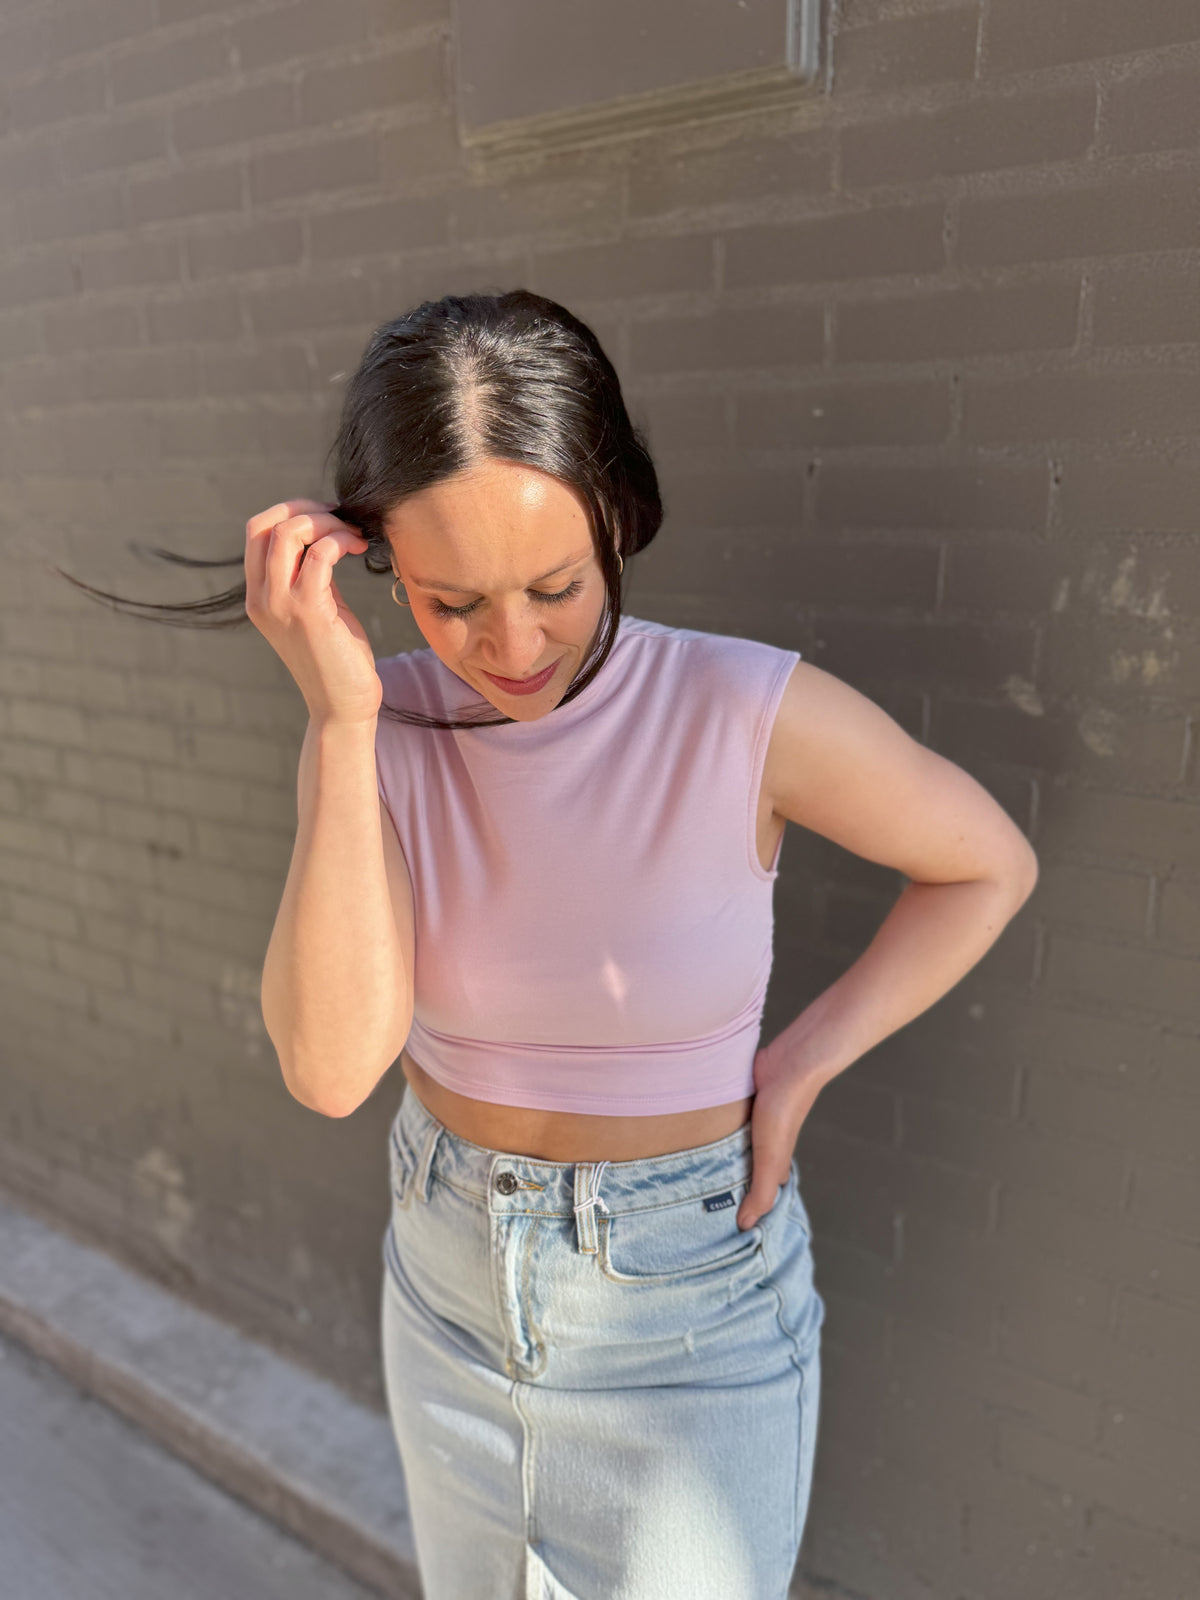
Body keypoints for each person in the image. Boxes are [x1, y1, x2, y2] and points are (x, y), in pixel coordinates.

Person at [70, 290, 1039, 1600]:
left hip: (686, 1316)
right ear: (381, 564)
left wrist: (802, 1059)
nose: (511, 646)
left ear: (618, 519)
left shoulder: (744, 709)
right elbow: (332, 1069)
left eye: (556, 585)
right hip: (445, 1280)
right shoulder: (377, 727)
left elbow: (985, 863)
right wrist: (341, 725)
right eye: (451, 599)